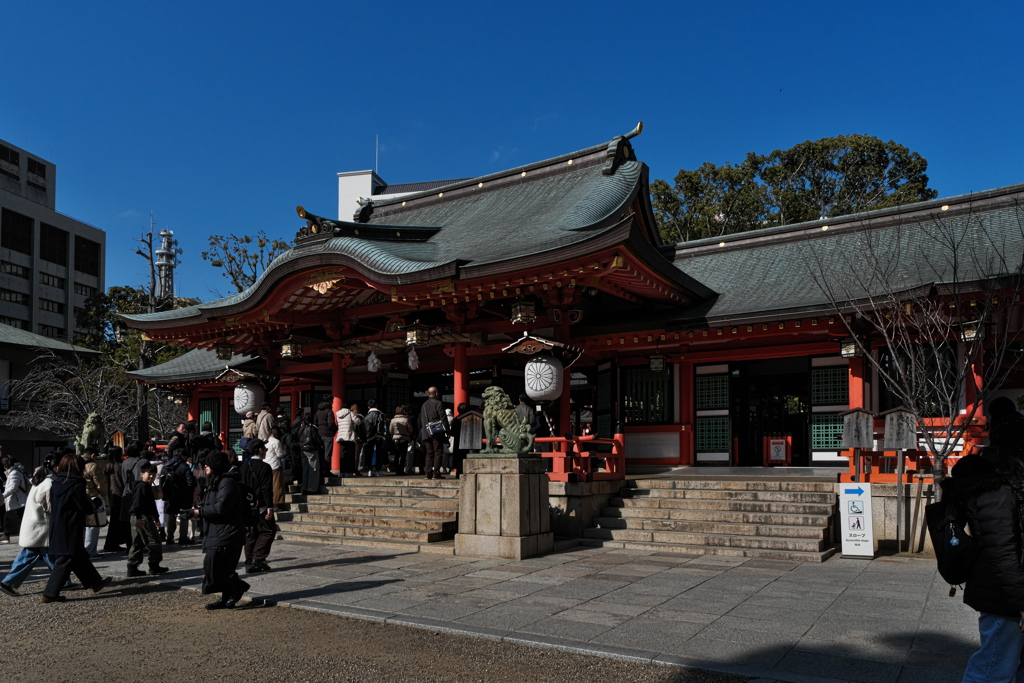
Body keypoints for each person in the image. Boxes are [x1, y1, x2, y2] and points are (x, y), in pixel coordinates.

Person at [943, 445, 1024, 680]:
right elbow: (1004, 552)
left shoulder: (1003, 490)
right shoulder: (998, 494)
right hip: (1003, 594)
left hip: (1006, 589)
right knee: (993, 667)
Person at [42, 452, 113, 603]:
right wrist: (94, 505)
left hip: (57, 524)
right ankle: (50, 593)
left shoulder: (56, 483)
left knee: (78, 555)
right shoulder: (77, 484)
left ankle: (96, 582)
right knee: (67, 558)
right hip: (72, 524)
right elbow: (83, 506)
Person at [191, 451, 249, 610]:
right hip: (217, 531)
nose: (206, 466)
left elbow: (220, 508)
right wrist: (197, 509)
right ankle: (228, 596)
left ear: (216, 465)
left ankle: (237, 587)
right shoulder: (215, 481)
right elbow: (211, 504)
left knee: (214, 564)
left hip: (229, 532)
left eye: (208, 463)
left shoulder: (227, 483)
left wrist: (200, 512)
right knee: (217, 567)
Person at [0, 459, 59, 596]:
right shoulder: (48, 483)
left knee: (31, 555)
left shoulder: (40, 481)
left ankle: (8, 582)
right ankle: (62, 582)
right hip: (41, 526)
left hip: (35, 526)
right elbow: (49, 507)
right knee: (49, 556)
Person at [126, 462, 169, 577]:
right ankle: (154, 565)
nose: (151, 477)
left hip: (138, 517)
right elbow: (137, 504)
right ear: (142, 474)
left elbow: (151, 505)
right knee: (154, 541)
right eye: (149, 474)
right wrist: (139, 517)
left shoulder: (145, 487)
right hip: (142, 517)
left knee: (137, 543)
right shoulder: (142, 487)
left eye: (154, 475)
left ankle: (132, 567)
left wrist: (156, 519)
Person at [239, 439, 275, 573]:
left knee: (251, 534)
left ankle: (249, 563)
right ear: (260, 450)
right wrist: (270, 506)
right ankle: (258, 559)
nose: (265, 451)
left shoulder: (244, 466)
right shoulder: (264, 467)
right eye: (264, 449)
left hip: (247, 505)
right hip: (260, 504)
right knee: (268, 531)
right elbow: (267, 488)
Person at [162, 447, 196, 545]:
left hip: (169, 495)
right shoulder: (184, 467)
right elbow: (190, 482)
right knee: (183, 516)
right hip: (183, 495)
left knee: (171, 516)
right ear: (182, 456)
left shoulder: (166, 466)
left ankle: (169, 537)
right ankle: (183, 537)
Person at [81, 447, 108, 559]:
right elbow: (101, 484)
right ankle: (90, 551)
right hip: (92, 497)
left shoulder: (76, 463)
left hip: (80, 497)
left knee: (82, 525)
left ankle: (82, 550)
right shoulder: (93, 466)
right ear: (92, 455)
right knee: (93, 525)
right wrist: (102, 494)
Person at [419, 387, 450, 481]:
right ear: (436, 393)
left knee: (429, 453)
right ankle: (436, 473)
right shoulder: (438, 403)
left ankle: (427, 473)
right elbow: (443, 418)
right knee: (438, 452)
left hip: (426, 431)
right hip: (436, 431)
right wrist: (447, 431)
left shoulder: (424, 405)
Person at [102, 447, 128, 553]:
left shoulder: (107, 466)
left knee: (114, 522)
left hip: (112, 495)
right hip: (121, 495)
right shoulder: (121, 466)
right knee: (121, 521)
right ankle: (115, 543)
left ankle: (111, 543)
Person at [2, 457, 29, 544]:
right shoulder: (16, 472)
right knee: (14, 518)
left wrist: (2, 496)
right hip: (17, 500)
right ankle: (7, 535)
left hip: (17, 501)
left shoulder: (14, 473)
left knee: (10, 518)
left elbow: (12, 487)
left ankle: (6, 536)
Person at [359, 399, 388, 477]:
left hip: (368, 437)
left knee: (369, 453)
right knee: (378, 453)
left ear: (368, 407)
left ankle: (369, 469)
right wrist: (379, 434)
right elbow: (380, 424)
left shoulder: (366, 416)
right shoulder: (380, 414)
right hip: (377, 436)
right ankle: (377, 470)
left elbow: (364, 428)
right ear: (376, 405)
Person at [296, 412, 322, 494]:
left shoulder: (301, 427)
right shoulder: (312, 427)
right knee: (313, 469)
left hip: (303, 449)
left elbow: (298, 436)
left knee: (305, 469)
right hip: (311, 449)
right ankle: (312, 488)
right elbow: (316, 439)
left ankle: (304, 487)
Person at [335, 403, 362, 477]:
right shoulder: (350, 413)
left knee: (342, 455)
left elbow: (336, 424)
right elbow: (358, 422)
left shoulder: (337, 414)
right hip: (349, 436)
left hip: (341, 437)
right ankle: (348, 471)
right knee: (350, 455)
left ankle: (342, 471)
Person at [264, 427, 286, 507]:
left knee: (268, 486)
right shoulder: (276, 442)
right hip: (275, 465)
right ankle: (277, 503)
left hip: (266, 464)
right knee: (277, 485)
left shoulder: (265, 441)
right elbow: (280, 454)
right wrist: (285, 450)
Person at [448, 403, 471, 478]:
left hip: (458, 441)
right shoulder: (470, 419)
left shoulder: (456, 420)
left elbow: (452, 433)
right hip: (468, 441)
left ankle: (458, 472)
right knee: (467, 456)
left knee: (458, 458)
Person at [389, 405, 414, 476]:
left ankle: (397, 470)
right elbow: (410, 430)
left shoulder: (392, 420)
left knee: (396, 455)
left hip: (395, 438)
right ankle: (401, 470)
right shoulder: (406, 419)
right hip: (404, 438)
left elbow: (390, 430)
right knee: (403, 455)